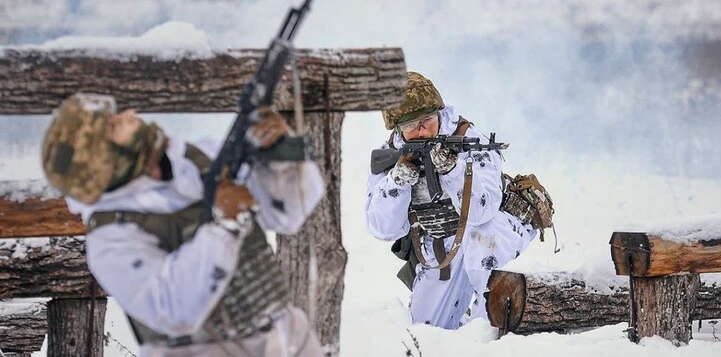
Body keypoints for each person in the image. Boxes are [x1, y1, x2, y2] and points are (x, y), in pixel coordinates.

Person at [41, 93, 325, 357]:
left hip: (286, 340)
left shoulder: (199, 159)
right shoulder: (110, 241)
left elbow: (289, 214)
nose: (129, 114)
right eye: (114, 125)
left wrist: (278, 159)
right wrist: (225, 226)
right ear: (106, 160)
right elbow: (175, 312)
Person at [364, 72, 537, 329]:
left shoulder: (468, 140)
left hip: (494, 231)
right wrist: (396, 183)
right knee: (425, 329)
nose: (422, 131)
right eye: (412, 126)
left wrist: (453, 172)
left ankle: (488, 333)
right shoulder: (390, 155)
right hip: (440, 241)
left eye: (427, 121)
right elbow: (382, 228)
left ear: (438, 113)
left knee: (484, 266)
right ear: (398, 129)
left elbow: (482, 211)